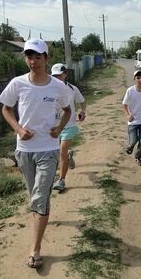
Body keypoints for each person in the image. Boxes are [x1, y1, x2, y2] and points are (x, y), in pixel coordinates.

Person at [0, 39, 71, 268]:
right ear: (25, 59)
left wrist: (59, 129)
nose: (33, 61)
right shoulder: (17, 84)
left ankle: (35, 248)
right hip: (24, 150)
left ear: (46, 59)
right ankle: (41, 211)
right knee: (36, 195)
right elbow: (5, 108)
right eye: (29, 56)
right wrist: (18, 129)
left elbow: (67, 110)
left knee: (39, 198)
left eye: (38, 56)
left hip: (48, 150)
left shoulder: (58, 87)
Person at [51, 63, 86, 192]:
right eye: (54, 76)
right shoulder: (47, 88)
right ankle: (68, 156)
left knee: (62, 151)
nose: (57, 78)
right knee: (56, 153)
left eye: (60, 75)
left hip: (68, 125)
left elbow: (82, 101)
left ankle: (61, 180)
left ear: (65, 74)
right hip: (52, 126)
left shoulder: (72, 89)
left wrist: (82, 111)